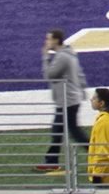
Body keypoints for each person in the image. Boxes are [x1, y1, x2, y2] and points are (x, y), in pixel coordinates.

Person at [38, 29, 89, 172]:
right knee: (59, 130)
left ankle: (98, 154)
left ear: (56, 40)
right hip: (70, 99)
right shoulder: (69, 54)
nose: (46, 42)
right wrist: (82, 90)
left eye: (48, 39)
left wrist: (45, 57)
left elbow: (50, 75)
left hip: (67, 100)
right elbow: (79, 74)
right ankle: (51, 161)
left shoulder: (61, 57)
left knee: (72, 132)